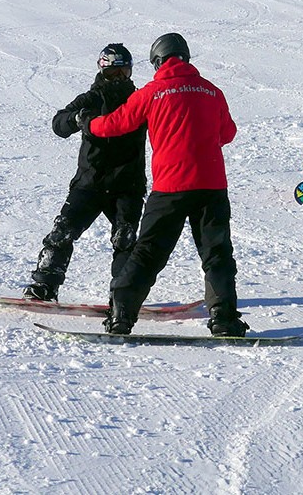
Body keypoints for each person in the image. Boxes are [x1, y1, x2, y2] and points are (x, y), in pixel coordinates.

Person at [77, 33, 248, 337]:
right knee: (217, 253)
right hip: (211, 185)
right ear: (186, 57)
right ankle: (224, 320)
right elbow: (228, 133)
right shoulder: (212, 91)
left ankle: (121, 316)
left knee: (148, 253)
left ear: (157, 61)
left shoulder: (153, 91)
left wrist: (89, 124)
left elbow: (116, 124)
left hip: (171, 187)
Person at [23, 43, 146, 302]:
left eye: (123, 73)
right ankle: (44, 286)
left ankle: (123, 297)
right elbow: (59, 123)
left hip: (127, 184)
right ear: (102, 70)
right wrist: (77, 118)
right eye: (113, 73)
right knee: (62, 231)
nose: (118, 78)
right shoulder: (92, 97)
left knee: (125, 239)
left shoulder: (139, 100)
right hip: (90, 182)